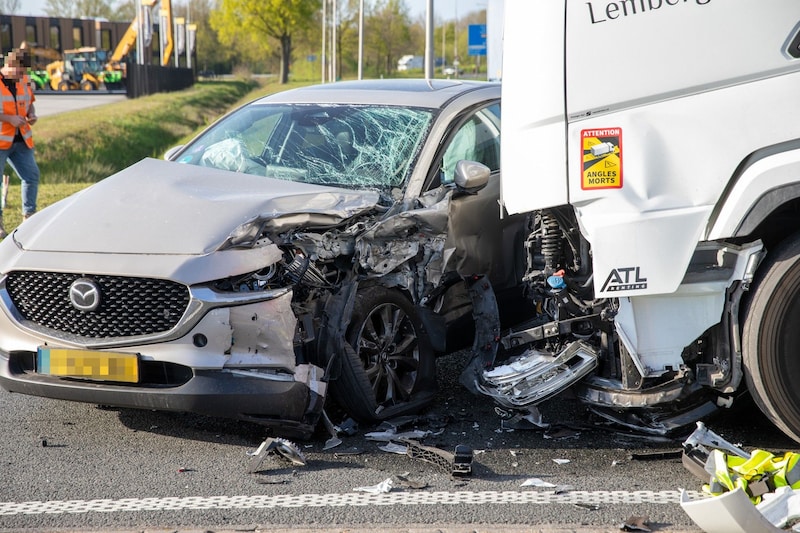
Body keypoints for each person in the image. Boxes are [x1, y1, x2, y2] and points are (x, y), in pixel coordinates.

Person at [0, 48, 39, 238]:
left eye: (24, 72)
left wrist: (31, 114)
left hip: (21, 140)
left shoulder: (24, 80)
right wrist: (9, 118)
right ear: (10, 65)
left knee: (31, 176)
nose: (22, 75)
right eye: (20, 71)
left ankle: (28, 219)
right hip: (1, 140)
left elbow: (29, 102)